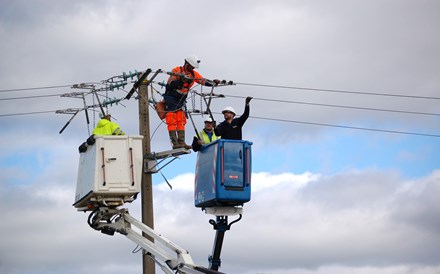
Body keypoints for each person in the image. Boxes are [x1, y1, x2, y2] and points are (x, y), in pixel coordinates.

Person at [164, 55, 220, 149]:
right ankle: (175, 143)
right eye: (191, 67)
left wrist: (213, 83)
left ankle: (181, 142)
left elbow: (202, 80)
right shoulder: (177, 70)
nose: (192, 68)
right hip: (171, 98)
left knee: (181, 120)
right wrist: (182, 80)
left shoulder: (193, 74)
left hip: (181, 100)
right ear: (186, 64)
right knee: (172, 120)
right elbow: (171, 84)